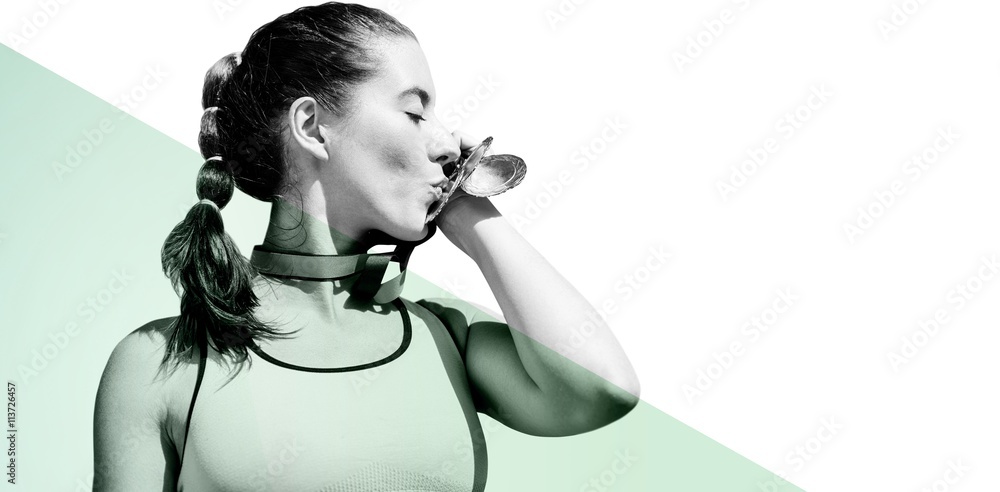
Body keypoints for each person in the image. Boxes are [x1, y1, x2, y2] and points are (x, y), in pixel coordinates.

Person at [92, 3, 640, 491]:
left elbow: (601, 389)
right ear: (312, 126)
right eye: (415, 111)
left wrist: (472, 213)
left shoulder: (445, 342)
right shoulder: (164, 364)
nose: (449, 142)